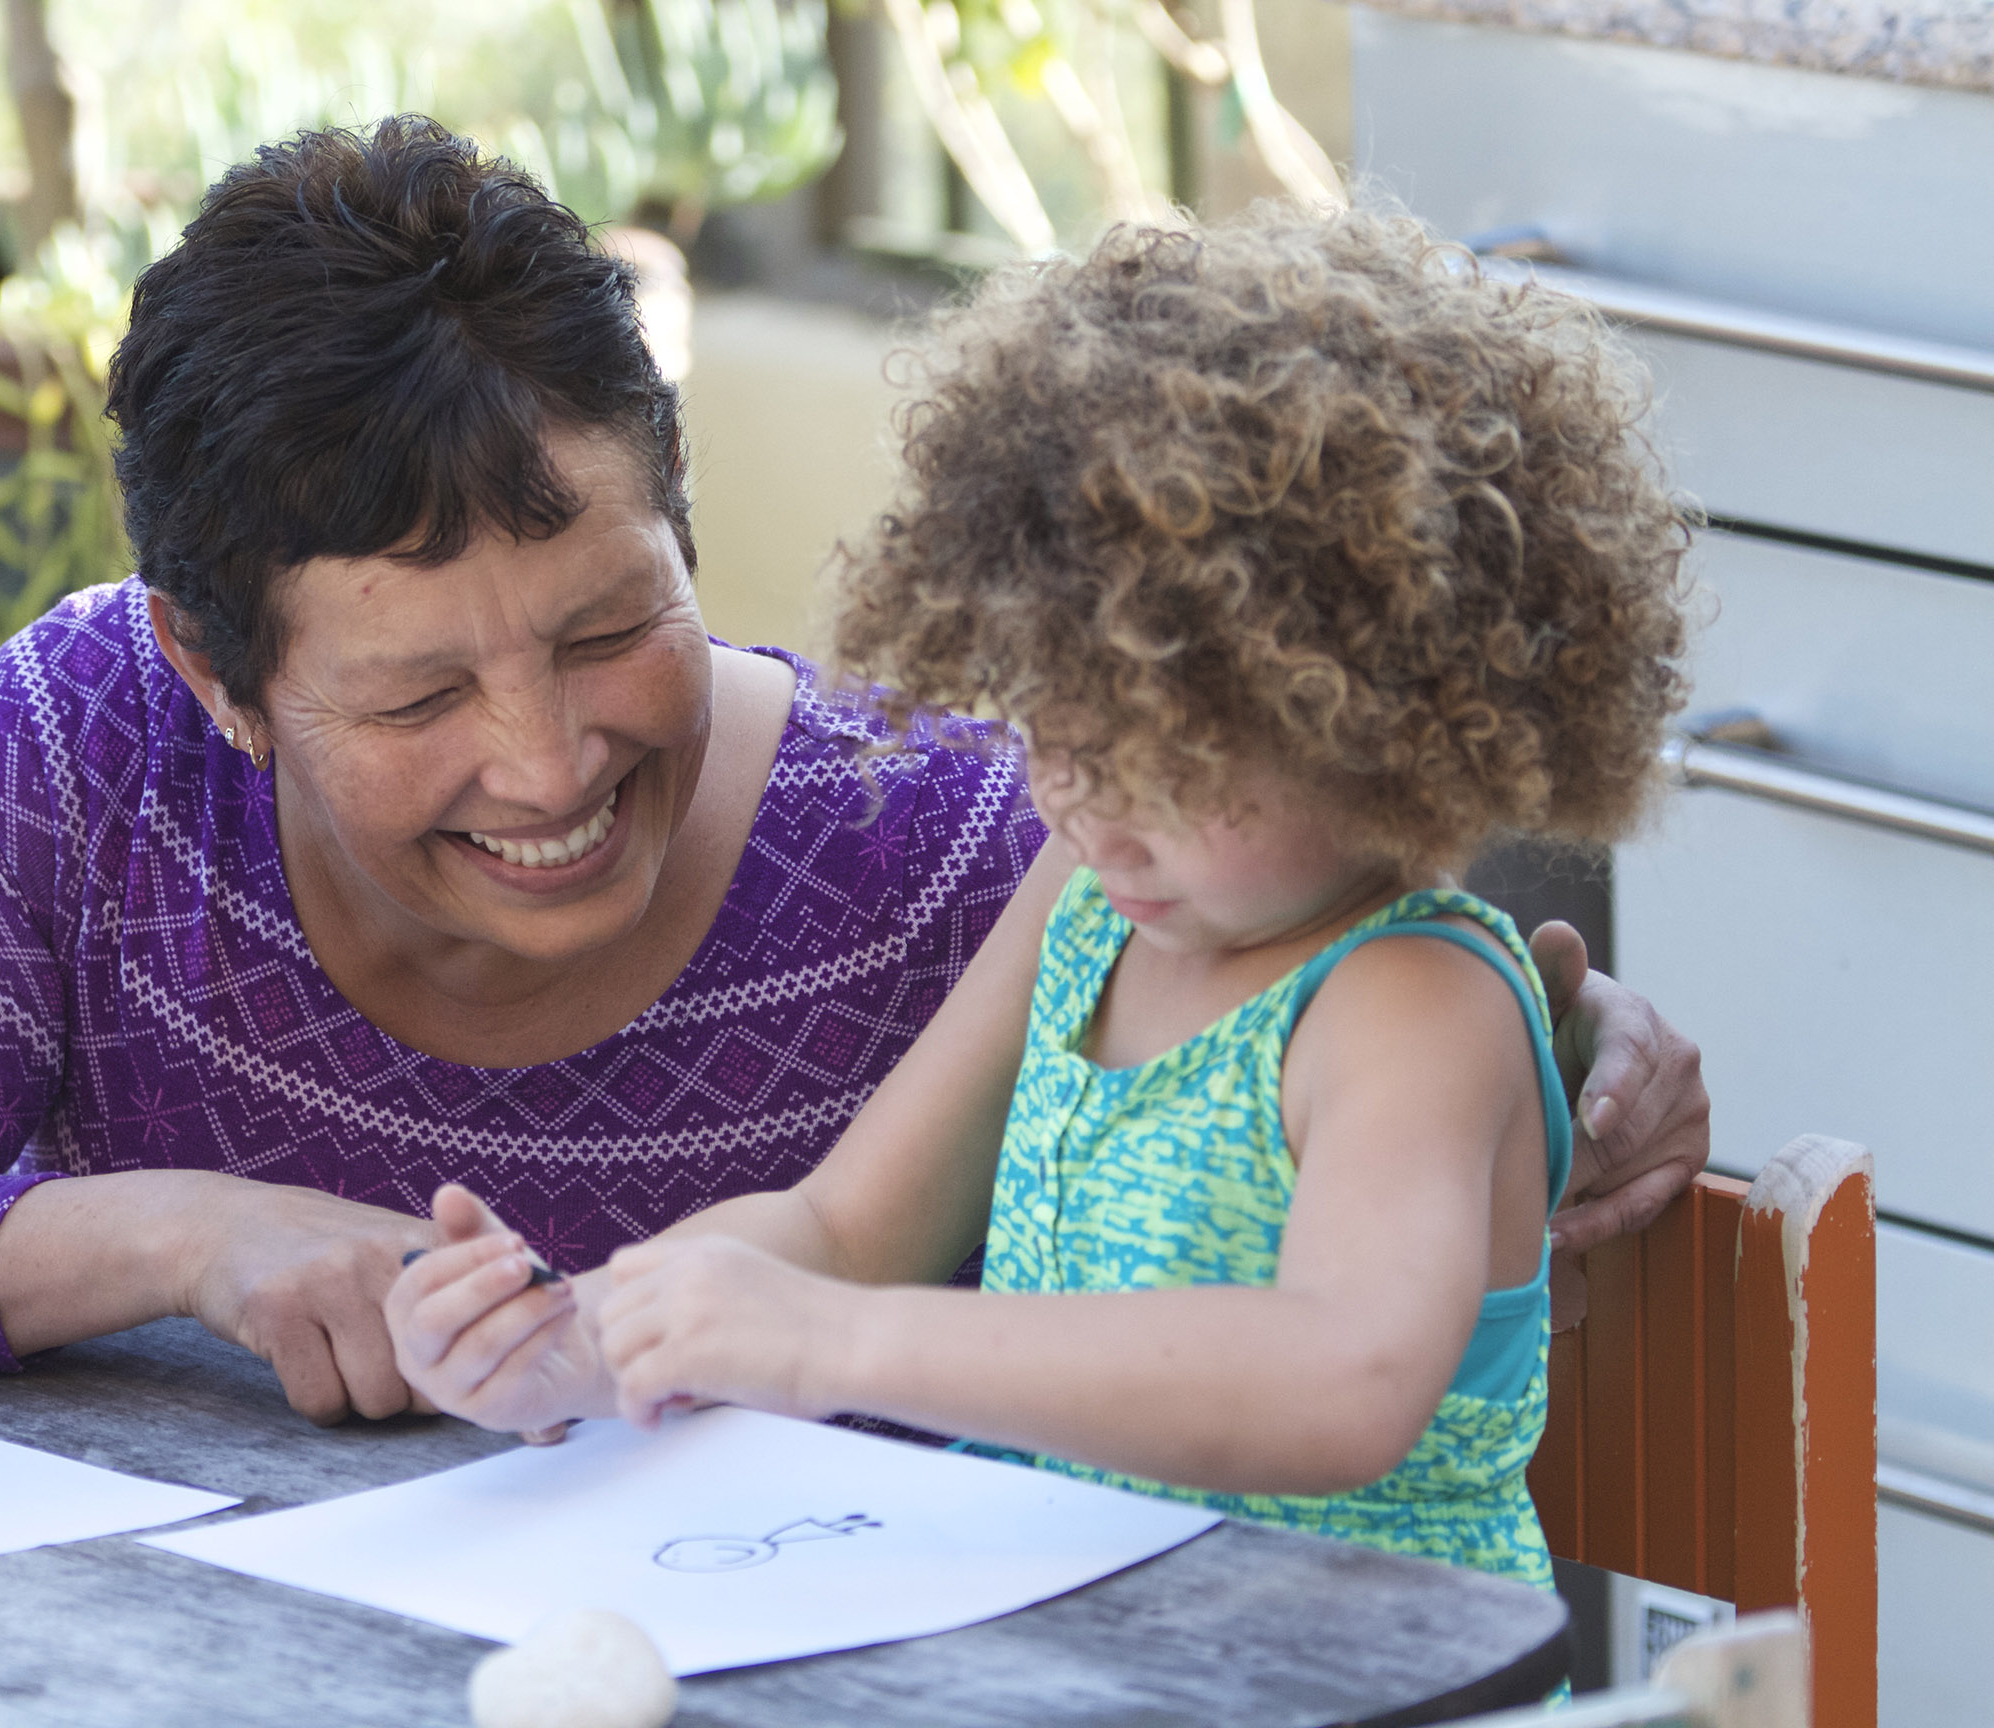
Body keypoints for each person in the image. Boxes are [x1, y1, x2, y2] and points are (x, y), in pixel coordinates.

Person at [0, 119, 1706, 1427]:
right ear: (220, 671)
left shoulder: (967, 837)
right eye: (416, 696)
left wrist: (1546, 1021)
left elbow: (1315, 1000)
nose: (547, 761)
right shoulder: (94, 744)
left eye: (612, 625)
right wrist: (196, 1239)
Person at [390, 203, 1690, 1586]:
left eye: (1179, 766)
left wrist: (838, 1347)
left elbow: (1344, 1379)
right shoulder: (1093, 906)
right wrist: (584, 1345)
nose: (1100, 815)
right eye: (1065, 737)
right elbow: (842, 1232)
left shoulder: (1413, 1001)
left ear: (1395, 728)